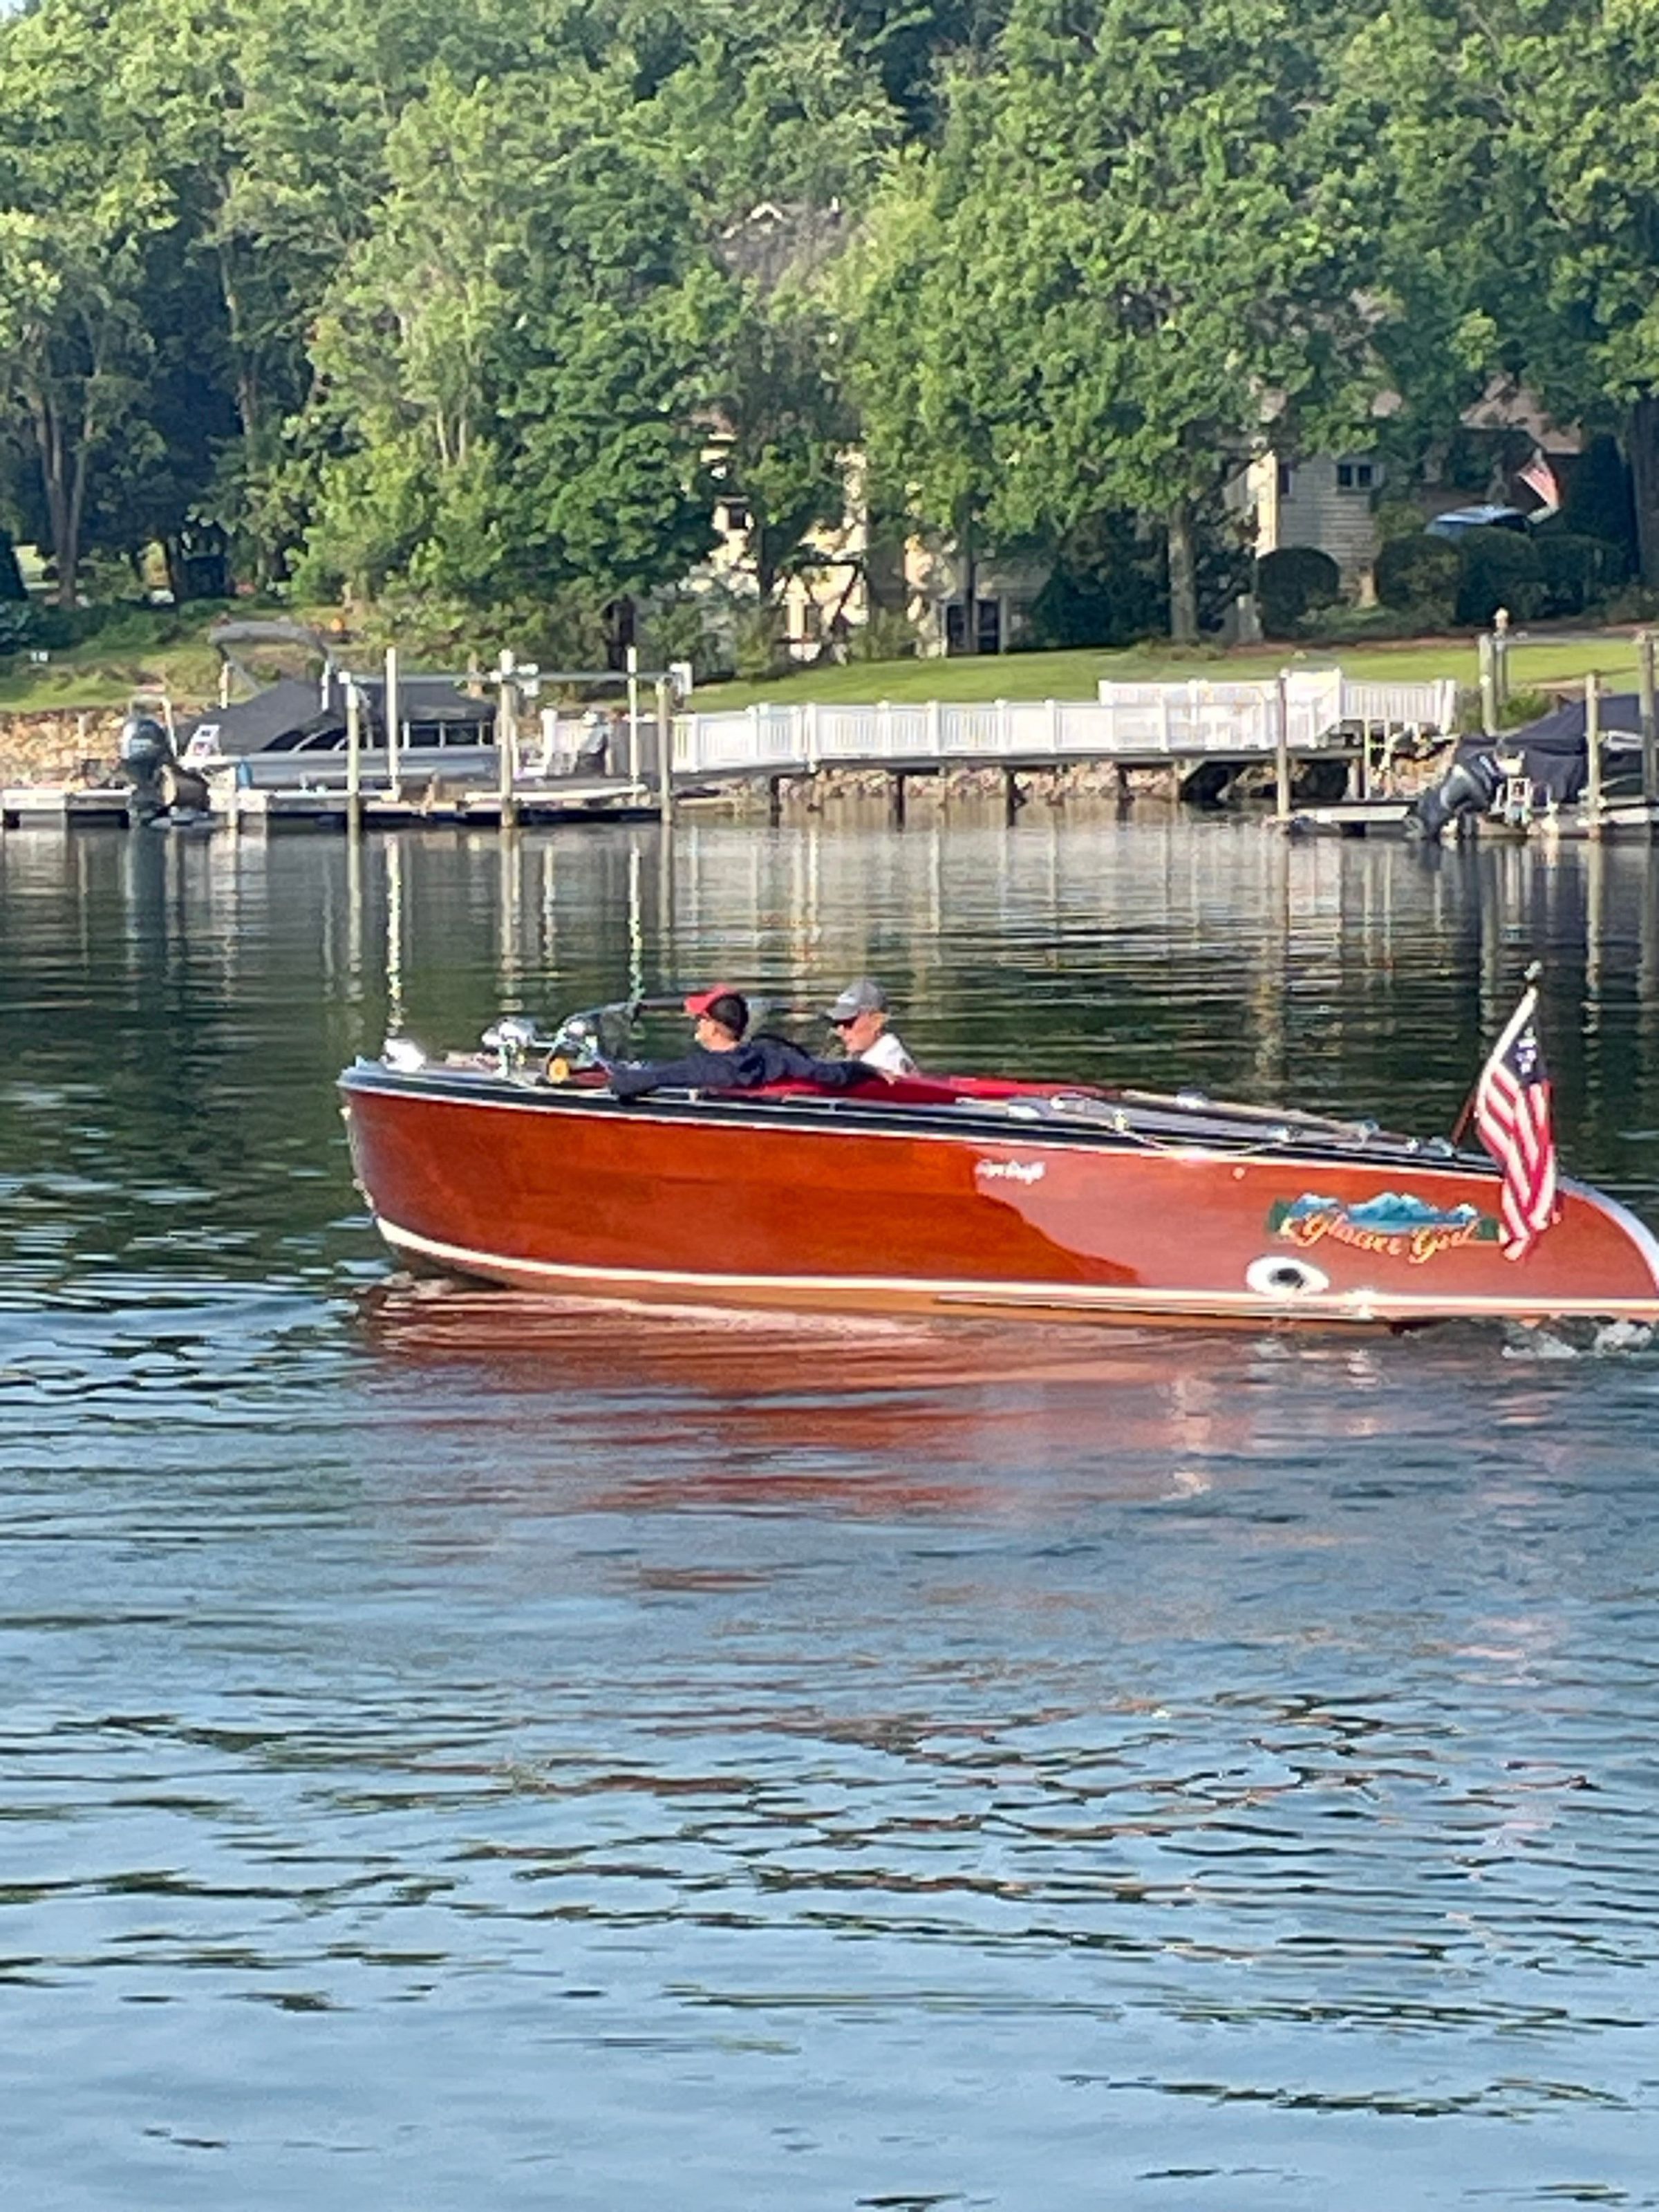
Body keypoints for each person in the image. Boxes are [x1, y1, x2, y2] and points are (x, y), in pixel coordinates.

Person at [607, 986, 885, 1100]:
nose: (696, 1024)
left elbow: (628, 1084)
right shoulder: (772, 1057)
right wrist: (868, 1070)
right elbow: (830, 1074)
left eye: (700, 1019)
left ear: (712, 1027)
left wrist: (616, 1078)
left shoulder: (700, 1069)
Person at [824, 978, 917, 1077]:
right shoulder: (869, 1053)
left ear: (876, 1021)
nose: (840, 1031)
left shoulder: (883, 1061)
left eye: (849, 1022)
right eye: (838, 1023)